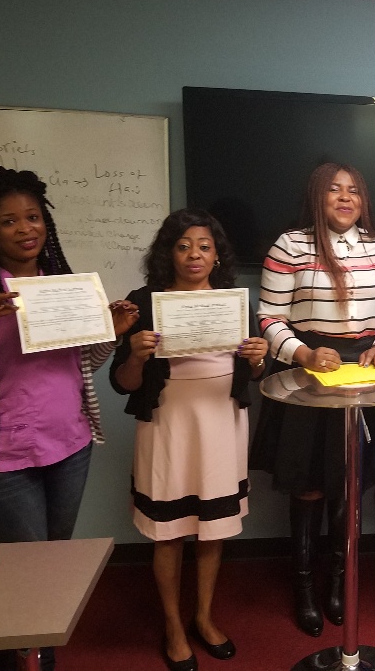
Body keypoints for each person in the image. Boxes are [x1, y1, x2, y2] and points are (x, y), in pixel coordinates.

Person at [0, 165, 138, 671]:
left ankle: (36, 658)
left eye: (34, 217)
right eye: (9, 221)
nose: (26, 229)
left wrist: (110, 333)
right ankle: (17, 660)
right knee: (23, 577)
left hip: (69, 447)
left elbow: (78, 365)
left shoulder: (61, 283)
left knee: (49, 568)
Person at [110, 208, 266, 671]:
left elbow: (254, 373)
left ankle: (203, 616)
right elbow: (123, 382)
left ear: (217, 255)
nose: (194, 254)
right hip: (167, 424)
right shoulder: (144, 302)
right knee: (169, 532)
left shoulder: (233, 301)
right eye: (182, 246)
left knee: (213, 529)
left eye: (204, 246)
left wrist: (258, 359)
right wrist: (136, 357)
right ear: (168, 254)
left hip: (221, 422)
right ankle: (174, 626)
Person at [250, 162, 375, 637]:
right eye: (334, 189)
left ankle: (338, 580)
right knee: (308, 484)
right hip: (308, 371)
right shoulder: (290, 245)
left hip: (363, 373)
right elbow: (269, 317)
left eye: (353, 190)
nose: (345, 197)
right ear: (317, 196)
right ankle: (303, 586)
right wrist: (304, 353)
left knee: (348, 483)